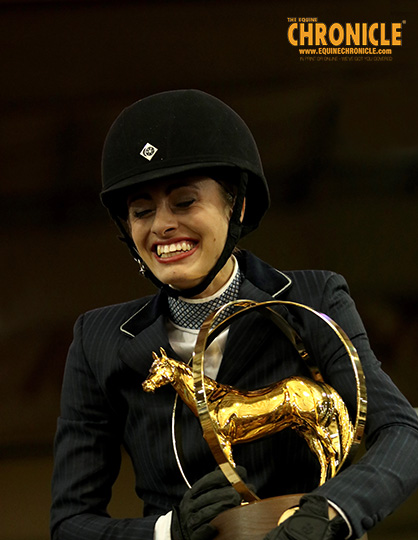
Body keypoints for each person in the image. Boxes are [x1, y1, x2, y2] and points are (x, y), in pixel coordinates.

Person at [50, 89, 418, 540]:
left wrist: (331, 513)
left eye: (184, 202)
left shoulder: (313, 296)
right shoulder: (97, 339)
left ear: (236, 206)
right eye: (142, 211)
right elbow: (70, 523)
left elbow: (402, 431)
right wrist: (168, 532)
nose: (162, 225)